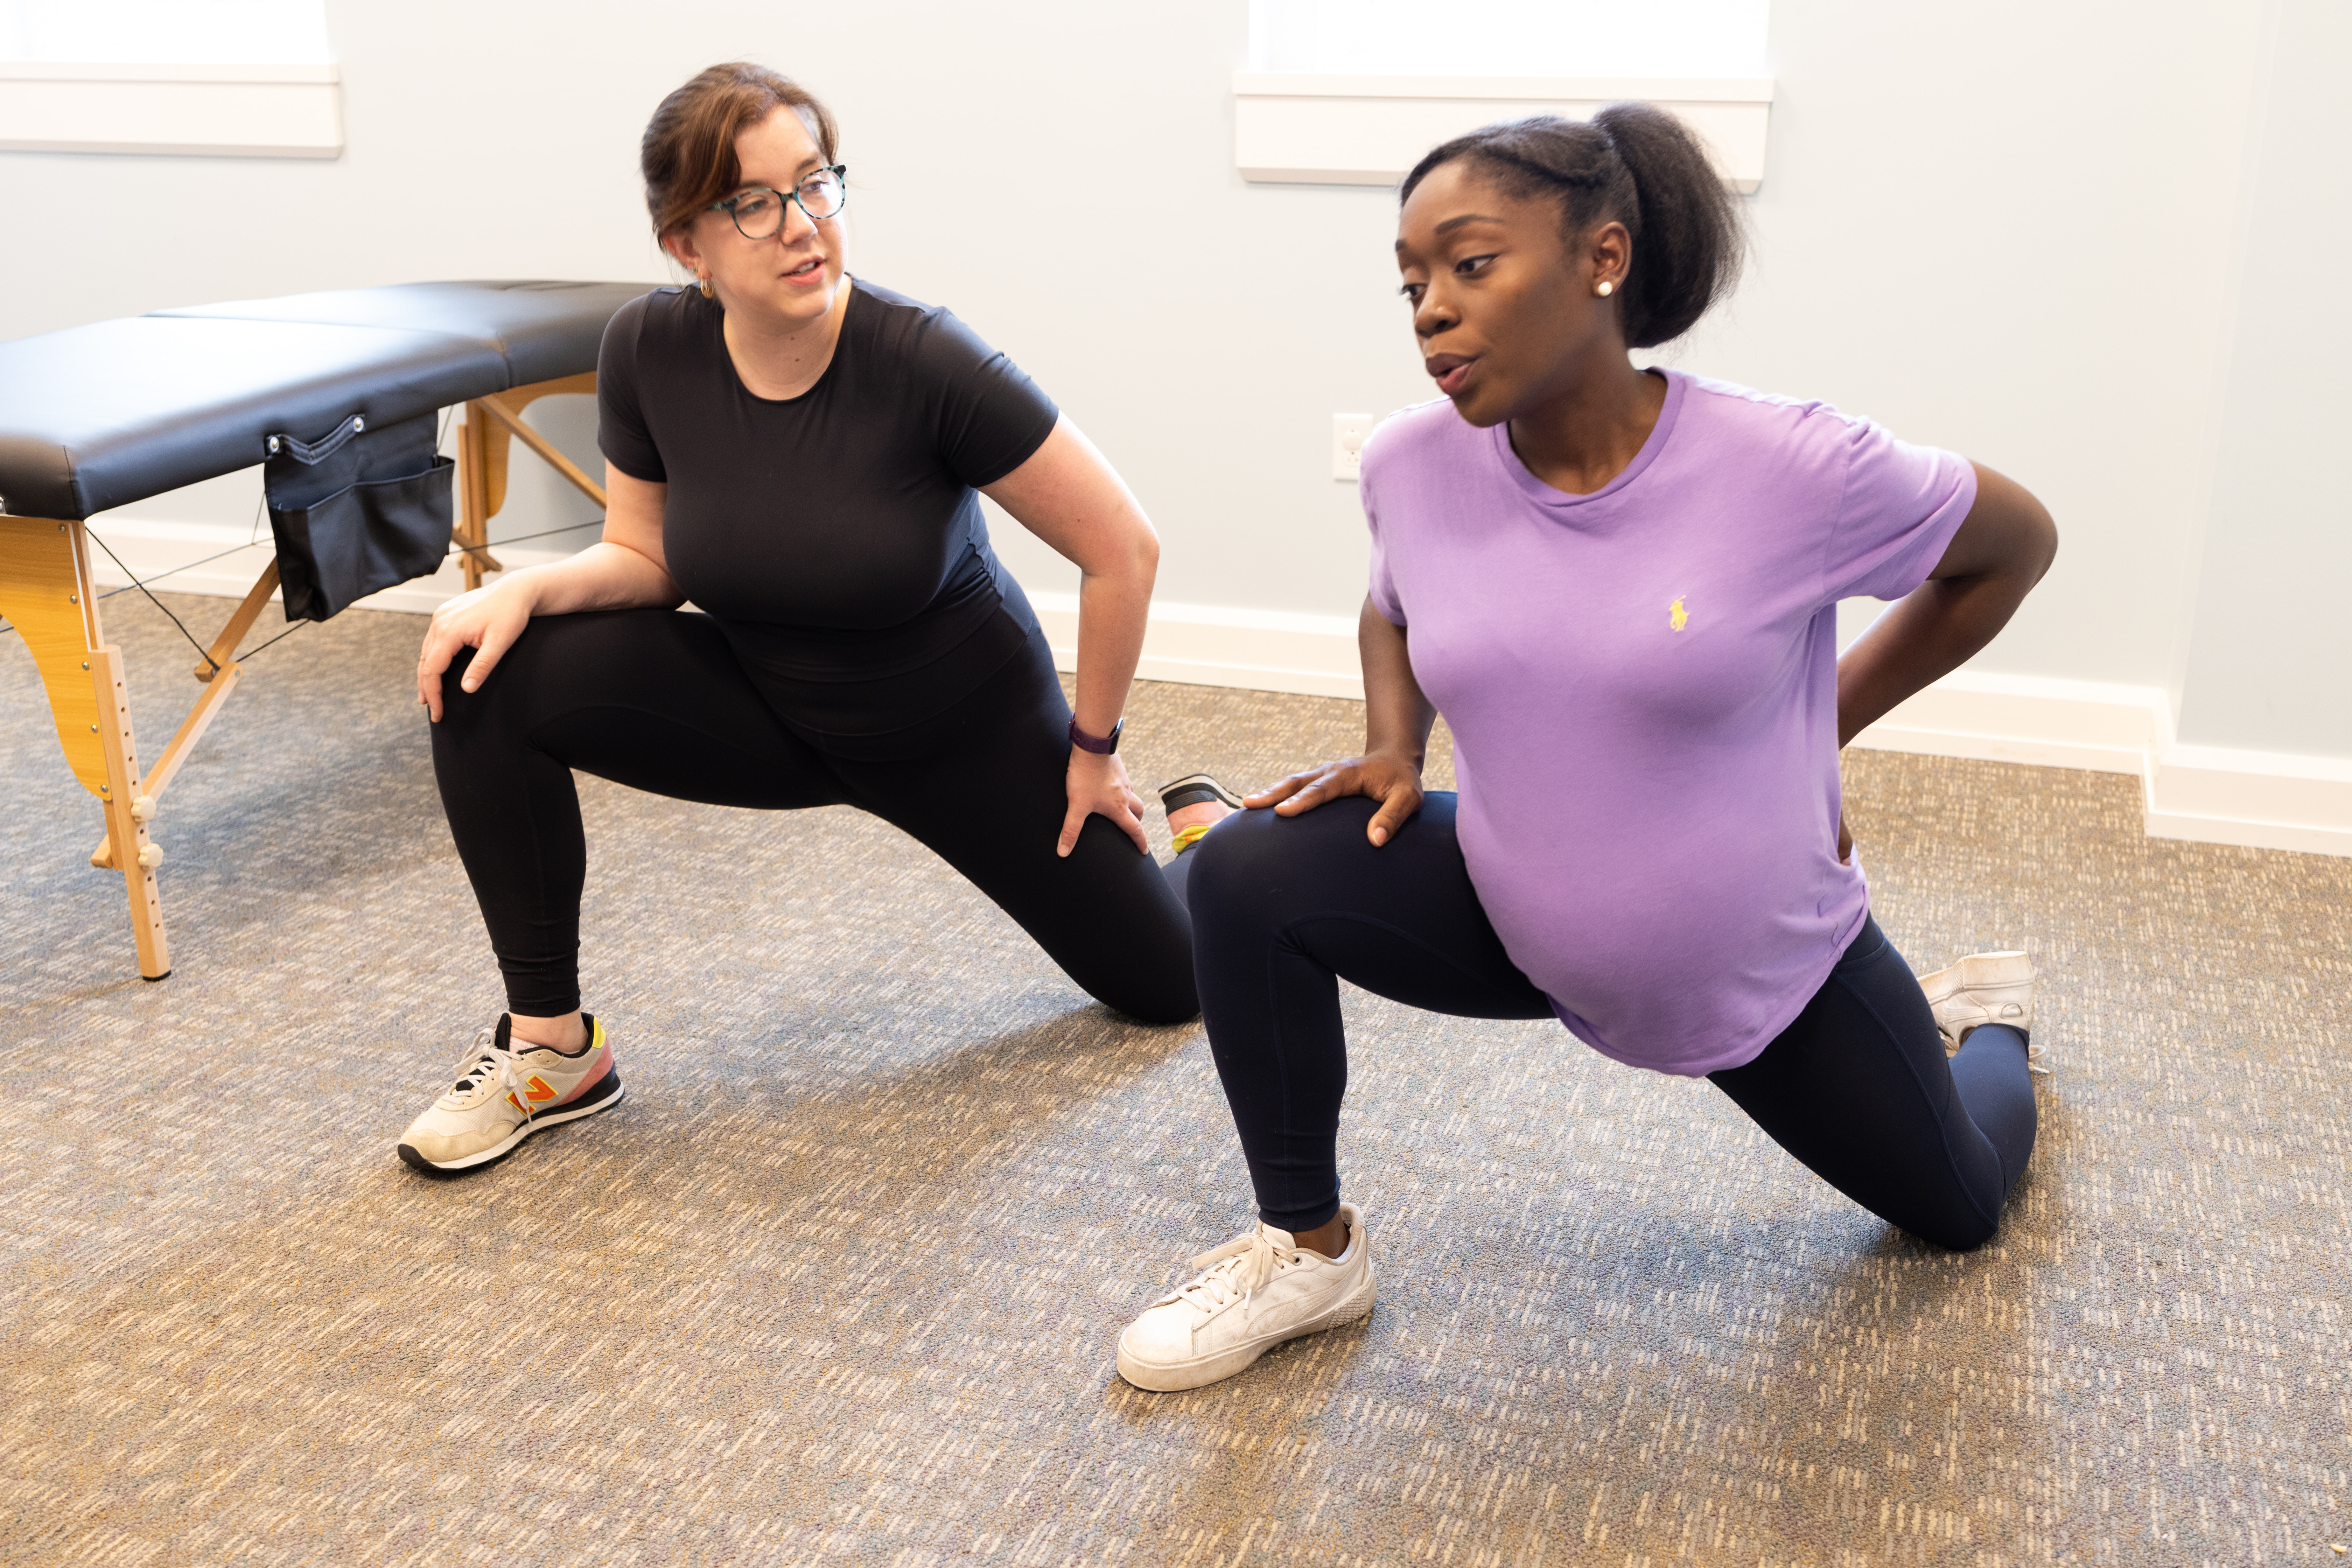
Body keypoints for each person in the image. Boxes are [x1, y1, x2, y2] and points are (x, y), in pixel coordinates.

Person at [1112, 105, 2059, 1392]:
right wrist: (1396, 744)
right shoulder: (1411, 461)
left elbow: (2013, 548)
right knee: (1244, 869)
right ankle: (1309, 1249)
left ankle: (1981, 1027)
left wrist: (1821, 728)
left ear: (1602, 258)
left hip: (1762, 970)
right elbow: (1394, 602)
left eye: (1470, 262)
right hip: (1515, 912)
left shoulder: (1789, 466)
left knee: (1959, 1210)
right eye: (1410, 281)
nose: (1429, 309)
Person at [398, 63, 1235, 1174]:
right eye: (752, 203)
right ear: (686, 245)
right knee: (482, 673)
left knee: (1173, 990)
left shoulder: (925, 357)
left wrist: (1092, 752)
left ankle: (1205, 832)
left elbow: (1122, 548)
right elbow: (646, 559)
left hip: (964, 736)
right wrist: (521, 587)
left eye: (815, 185)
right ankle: (553, 1052)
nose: (801, 228)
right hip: (772, 707)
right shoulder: (649, 352)